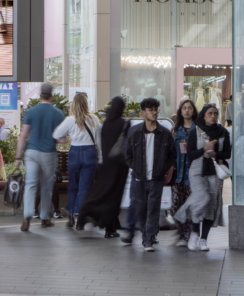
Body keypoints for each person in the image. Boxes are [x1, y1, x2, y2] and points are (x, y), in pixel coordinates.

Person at [174, 103, 230, 252]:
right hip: (197, 170)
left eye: (215, 113)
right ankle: (193, 232)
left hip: (214, 172)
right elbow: (190, 154)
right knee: (202, 197)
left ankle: (203, 239)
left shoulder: (223, 132)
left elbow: (227, 154)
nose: (213, 116)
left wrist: (215, 154)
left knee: (210, 206)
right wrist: (203, 150)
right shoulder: (195, 131)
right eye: (210, 113)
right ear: (203, 115)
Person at [123, 98, 177, 252]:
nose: (154, 112)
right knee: (140, 208)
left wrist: (162, 169)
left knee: (153, 208)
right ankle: (148, 234)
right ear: (143, 113)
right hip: (139, 177)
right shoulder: (135, 133)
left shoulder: (165, 134)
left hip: (156, 178)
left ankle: (147, 240)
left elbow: (172, 156)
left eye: (155, 109)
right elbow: (127, 155)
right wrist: (136, 168)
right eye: (150, 109)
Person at [77, 97, 130, 238]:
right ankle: (110, 229)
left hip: (107, 166)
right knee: (114, 197)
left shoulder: (106, 123)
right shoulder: (124, 123)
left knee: (103, 194)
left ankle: (93, 217)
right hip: (120, 167)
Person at [17, 83, 65, 231]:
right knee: (46, 186)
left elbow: (23, 136)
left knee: (31, 184)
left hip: (31, 152)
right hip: (48, 153)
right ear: (51, 95)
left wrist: (18, 158)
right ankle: (44, 218)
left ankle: (26, 216)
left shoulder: (31, 111)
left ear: (40, 95)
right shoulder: (58, 114)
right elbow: (61, 139)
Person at [54, 93, 102, 230]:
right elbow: (99, 142)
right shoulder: (94, 119)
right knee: (85, 186)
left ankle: (71, 212)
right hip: (90, 152)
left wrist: (66, 139)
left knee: (73, 184)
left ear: (73, 105)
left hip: (74, 152)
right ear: (87, 104)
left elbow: (56, 134)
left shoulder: (70, 120)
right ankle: (79, 215)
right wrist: (101, 157)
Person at [170, 99, 198, 247]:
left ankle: (189, 236)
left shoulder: (198, 129)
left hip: (193, 174)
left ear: (194, 111)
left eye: (190, 108)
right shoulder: (175, 130)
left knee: (190, 206)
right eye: (184, 108)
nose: (187, 110)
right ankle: (181, 234)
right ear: (180, 111)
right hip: (178, 173)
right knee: (176, 206)